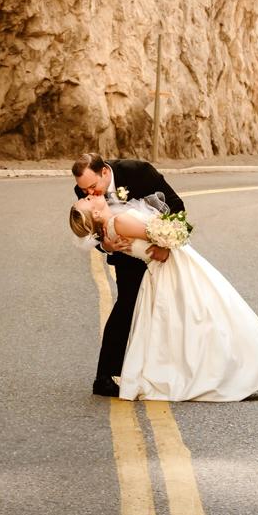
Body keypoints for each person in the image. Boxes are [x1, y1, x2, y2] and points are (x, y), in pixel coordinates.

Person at [70, 187, 258, 402]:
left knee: (193, 321)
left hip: (164, 269)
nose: (89, 195)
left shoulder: (110, 230)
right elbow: (159, 234)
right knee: (207, 313)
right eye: (87, 200)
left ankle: (215, 368)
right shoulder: (119, 222)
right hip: (172, 265)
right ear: (95, 215)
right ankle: (226, 370)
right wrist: (174, 232)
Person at [72, 152, 184, 396]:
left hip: (157, 248)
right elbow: (91, 227)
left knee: (168, 308)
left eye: (93, 187)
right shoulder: (83, 187)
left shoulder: (139, 172)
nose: (89, 193)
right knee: (126, 307)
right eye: (84, 190)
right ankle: (104, 377)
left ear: (104, 172)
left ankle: (167, 368)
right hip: (126, 254)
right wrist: (106, 245)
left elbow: (176, 206)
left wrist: (164, 245)